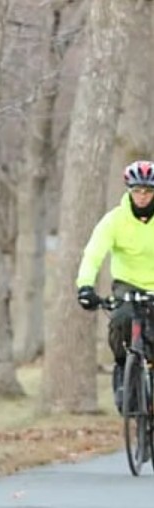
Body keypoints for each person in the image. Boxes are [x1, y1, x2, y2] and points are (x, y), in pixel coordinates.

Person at [76, 160, 154, 411]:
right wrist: (85, 286)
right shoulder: (115, 220)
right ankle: (123, 368)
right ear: (129, 191)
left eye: (148, 191)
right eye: (137, 191)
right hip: (127, 285)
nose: (142, 197)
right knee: (120, 318)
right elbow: (93, 254)